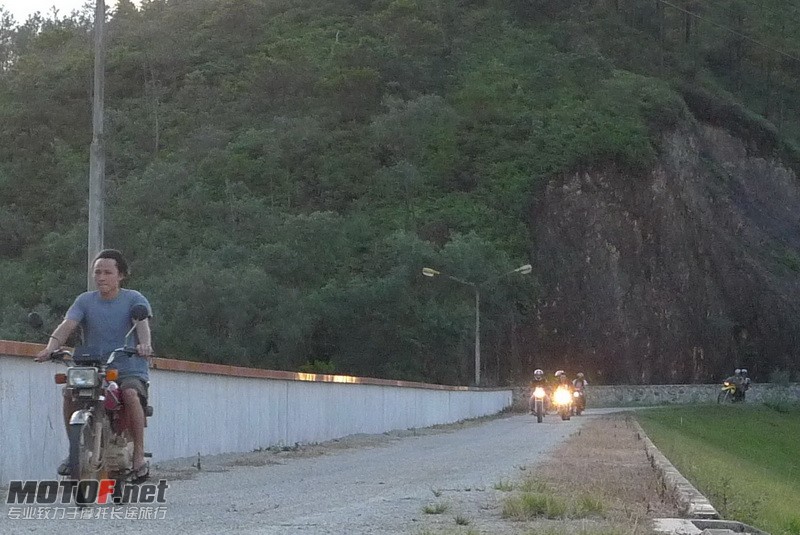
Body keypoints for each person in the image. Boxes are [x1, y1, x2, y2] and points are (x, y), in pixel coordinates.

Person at [35, 249, 153, 481]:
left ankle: (138, 456)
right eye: (97, 272)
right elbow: (67, 325)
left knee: (130, 394)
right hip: (93, 367)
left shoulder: (134, 299)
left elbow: (142, 326)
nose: (101, 277)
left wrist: (145, 346)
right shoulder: (85, 301)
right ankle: (74, 452)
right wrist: (50, 348)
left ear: (121, 275)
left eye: (108, 272)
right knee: (69, 392)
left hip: (127, 366)